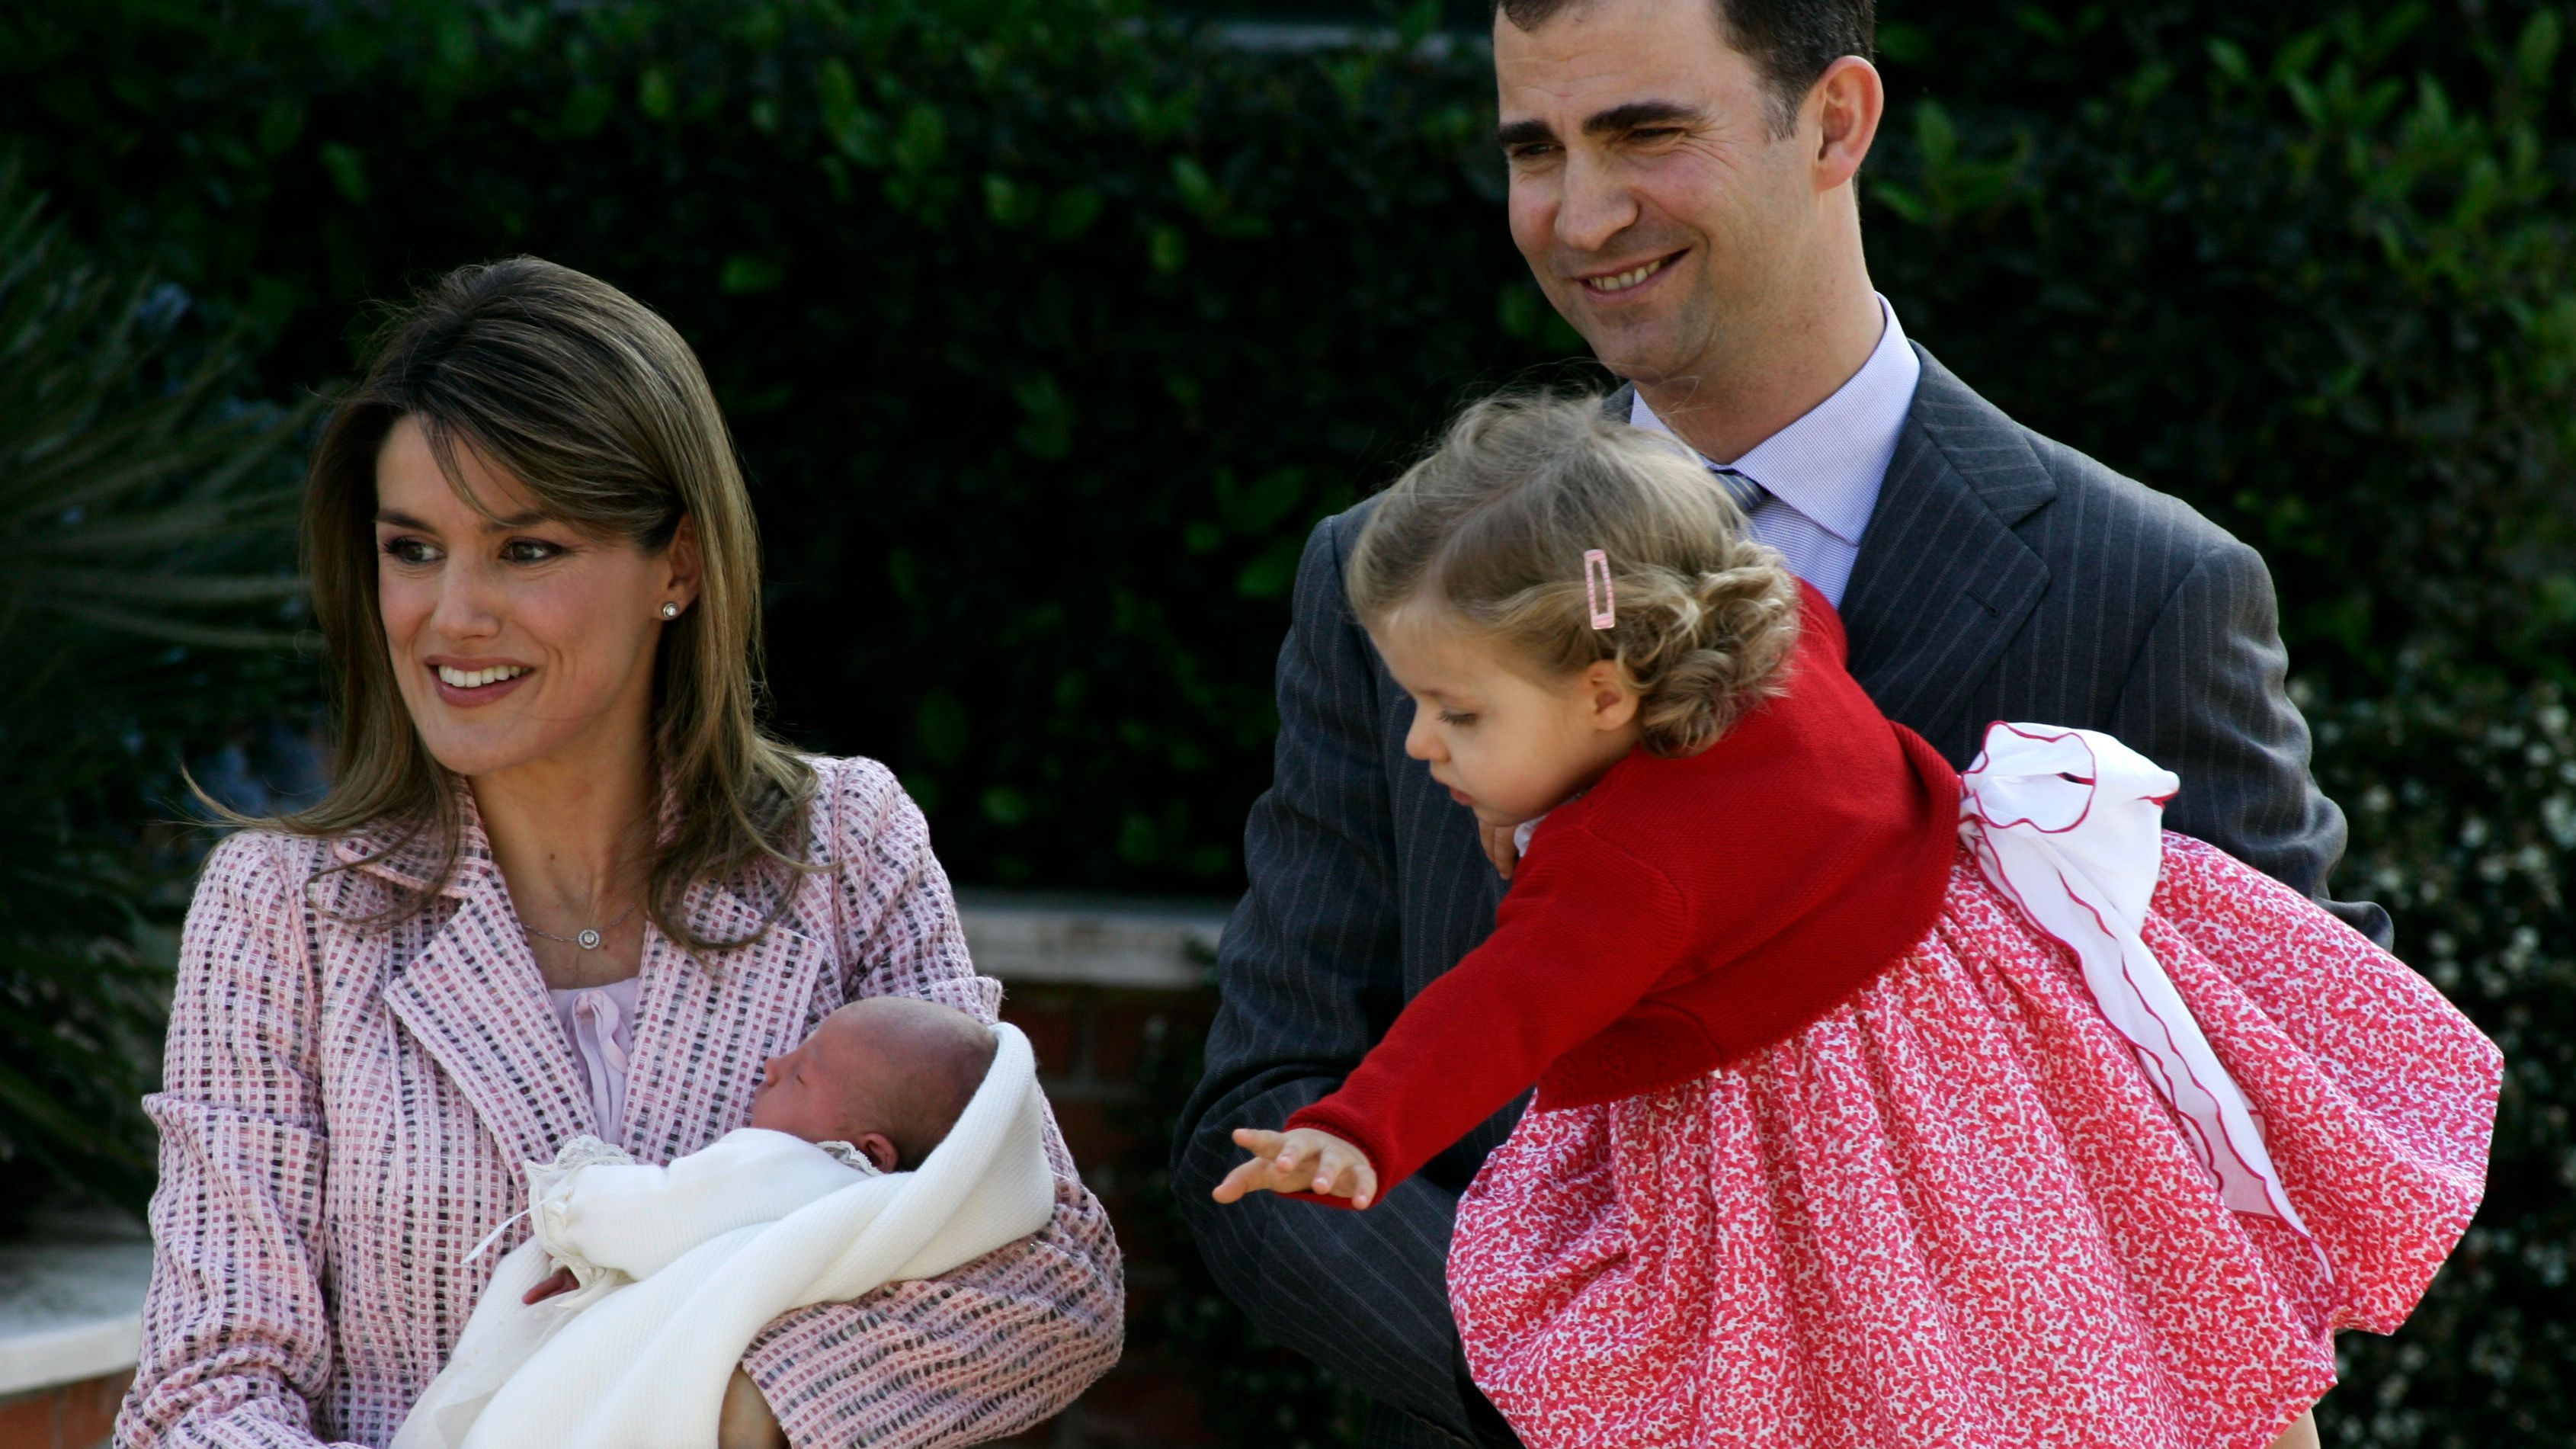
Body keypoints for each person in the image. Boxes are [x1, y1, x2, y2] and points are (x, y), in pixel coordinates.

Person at [1173, 3, 2390, 1444]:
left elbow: (2277, 1093)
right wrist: (1586, 1383)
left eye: (1644, 132)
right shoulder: (1389, 581)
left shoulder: (2148, 585)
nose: (1580, 212)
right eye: (1534, 149)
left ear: (1837, 121)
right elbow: (1265, 1096)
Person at [1210, 393, 2498, 1449]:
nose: (1424, 742)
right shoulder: (1786, 643)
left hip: (1817, 1138)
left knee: (1839, 1368)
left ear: (1607, 692)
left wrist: (1359, 1129)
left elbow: (1499, 1007)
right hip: (2017, 1078)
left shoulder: (1621, 865)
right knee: (2112, 1314)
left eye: (1459, 712)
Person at [118, 258, 1123, 1449]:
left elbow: (1051, 1278)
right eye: (413, 548)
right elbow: (204, 1391)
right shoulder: (286, 909)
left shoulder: (846, 847)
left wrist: (718, 1402)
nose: (451, 616)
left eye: (526, 549)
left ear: (679, 567)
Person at [396, 1002, 1060, 1449]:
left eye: (801, 1073)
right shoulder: (921, 1222)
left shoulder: (793, 1168)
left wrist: (578, 1201)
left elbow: (654, 1215)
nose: (772, 1064)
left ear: (870, 1151)